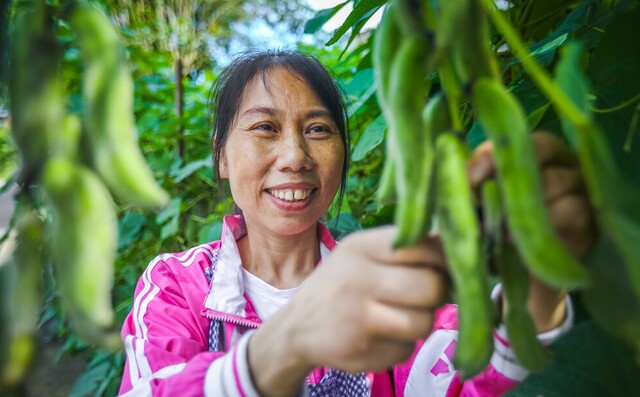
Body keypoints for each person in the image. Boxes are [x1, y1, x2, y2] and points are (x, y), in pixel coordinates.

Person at [117, 49, 596, 397]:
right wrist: (290, 342)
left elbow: (469, 369)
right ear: (221, 156)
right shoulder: (175, 284)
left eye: (318, 130)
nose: (295, 157)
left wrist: (539, 275)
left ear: (342, 156)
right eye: (265, 128)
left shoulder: (383, 282)